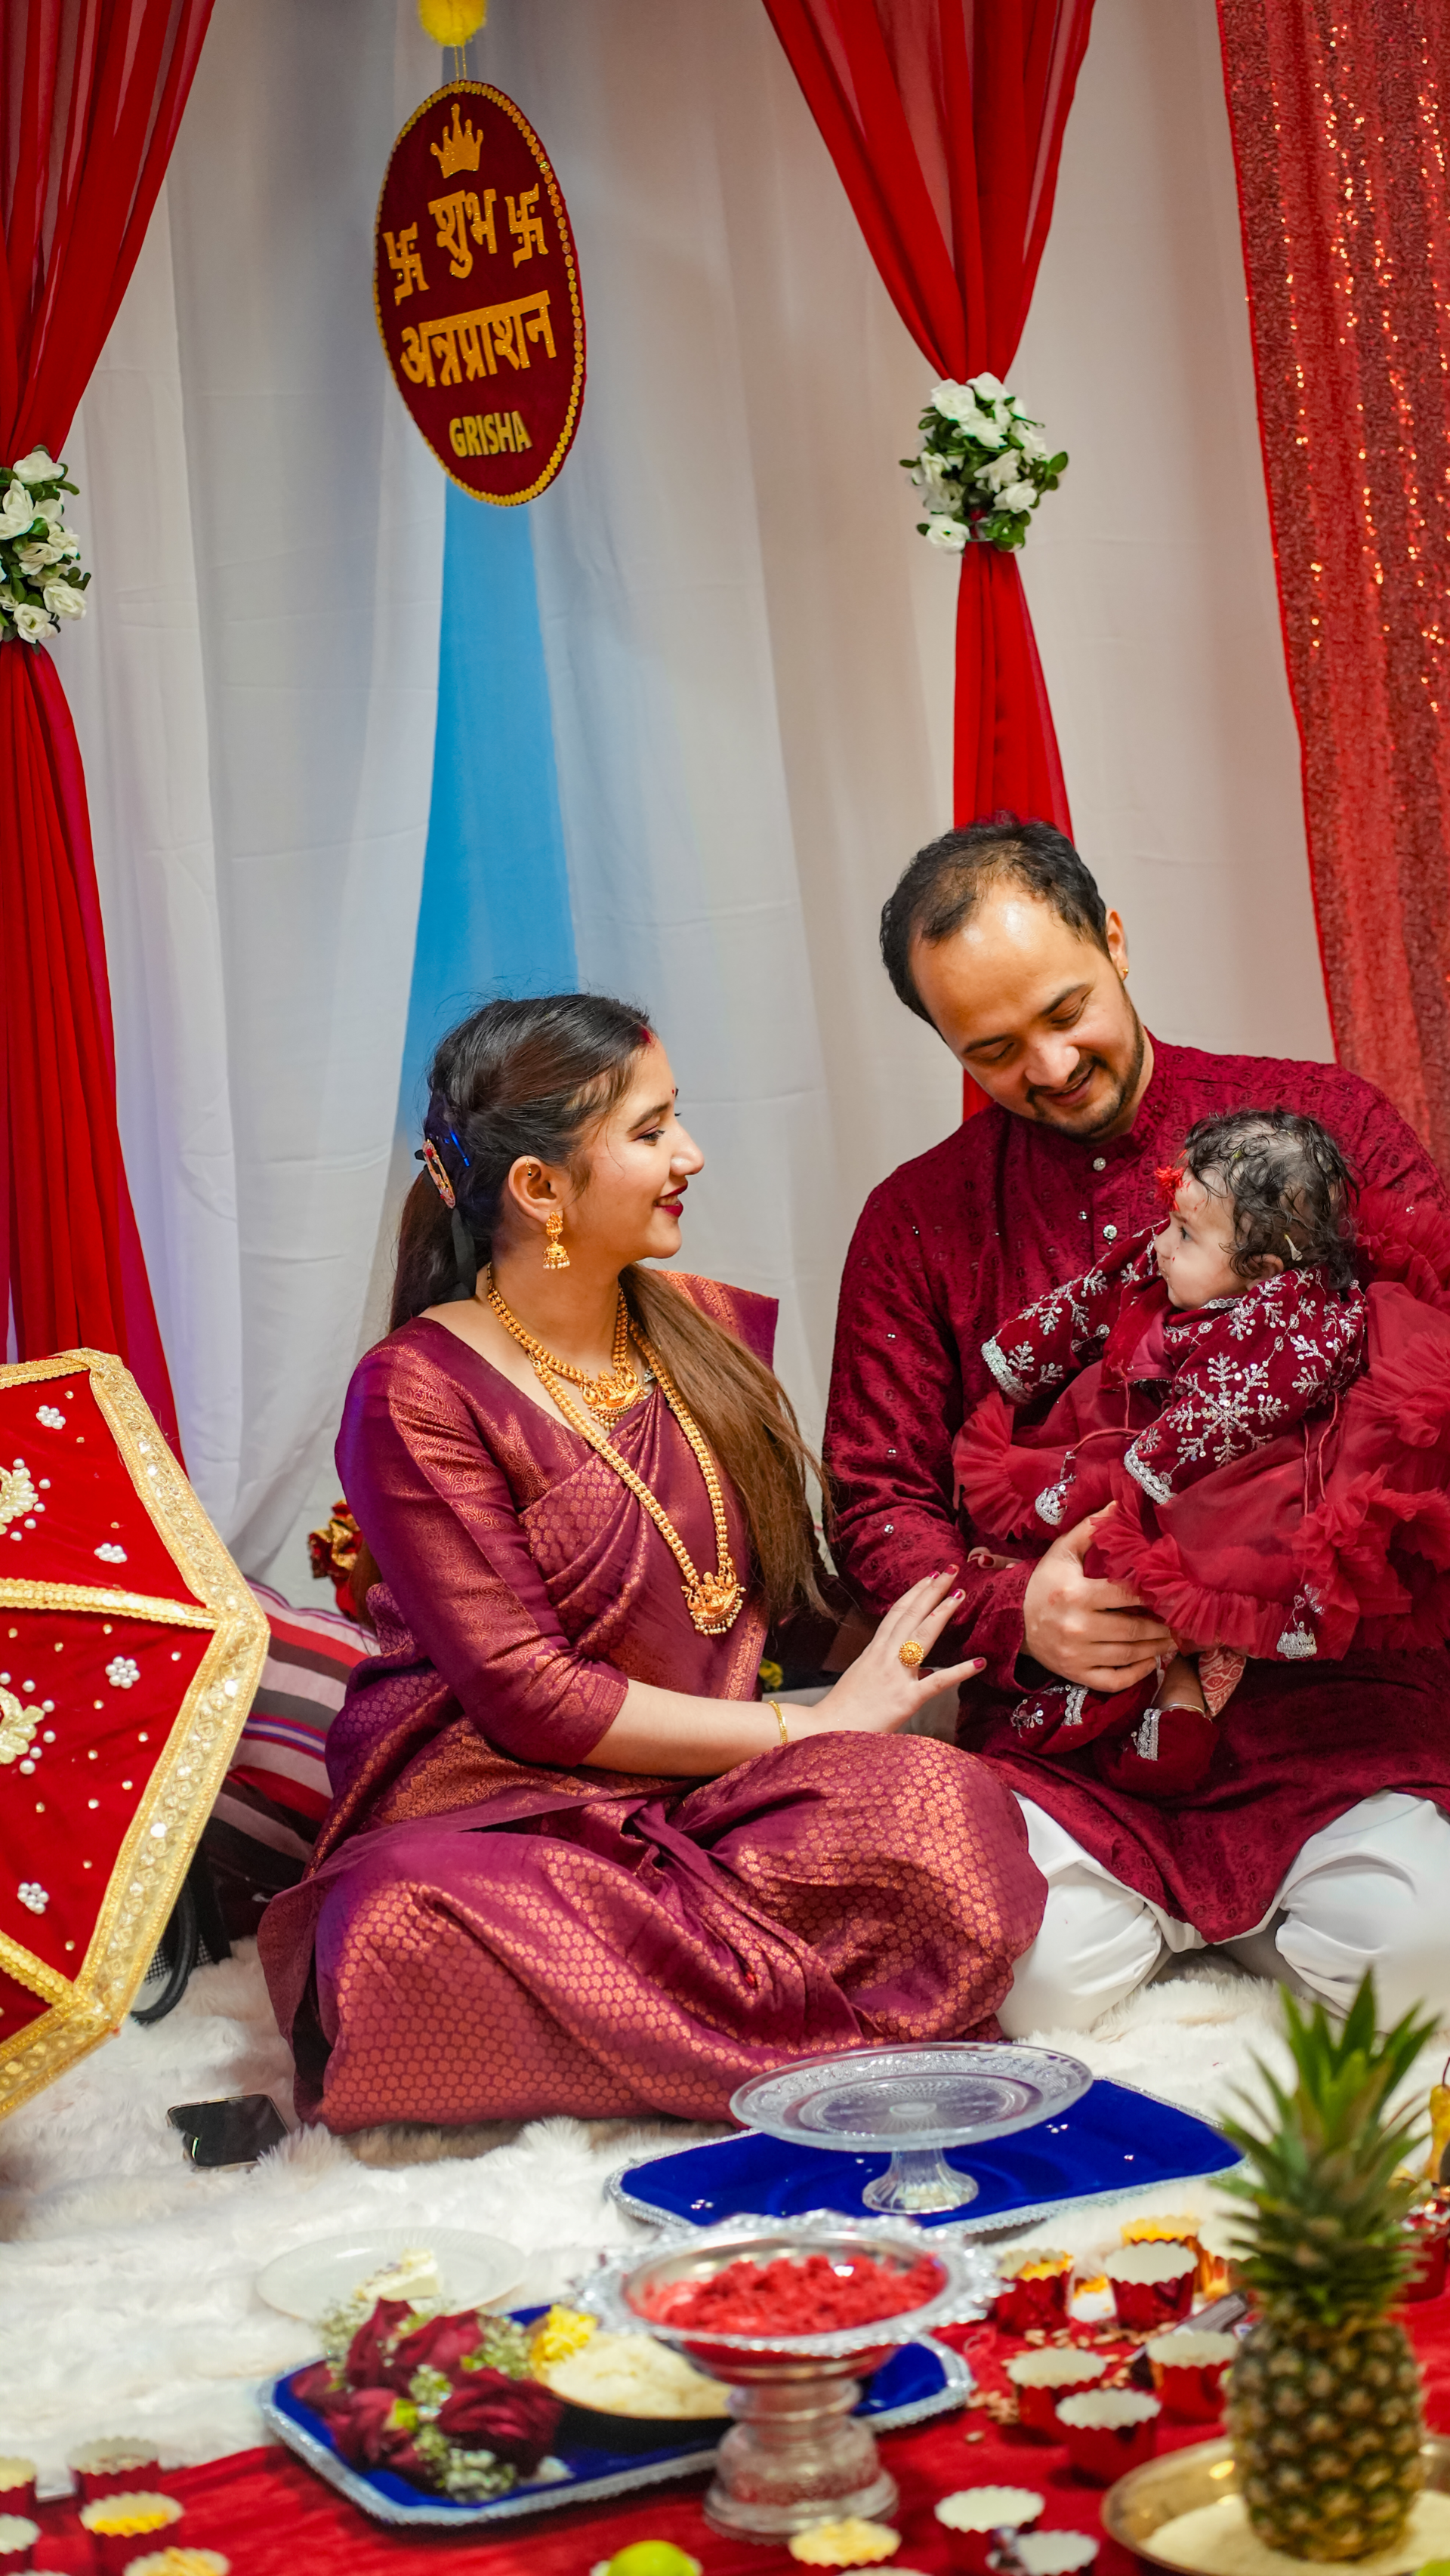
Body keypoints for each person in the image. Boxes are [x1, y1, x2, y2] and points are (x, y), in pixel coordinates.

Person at [259, 994, 1044, 2133]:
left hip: (716, 1800)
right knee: (392, 1922)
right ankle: (804, 2036)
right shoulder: (414, 1390)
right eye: (650, 1129)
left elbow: (784, 1593)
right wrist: (815, 1727)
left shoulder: (698, 1326)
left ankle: (652, 2025)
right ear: (540, 1188)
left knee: (950, 1808)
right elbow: (535, 1701)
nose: (691, 1154)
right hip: (507, 1814)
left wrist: (995, 1602)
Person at [824, 816, 1450, 2032]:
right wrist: (1025, 1614)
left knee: (1421, 1957)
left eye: (1069, 1010)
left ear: (1113, 937)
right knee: (1031, 1988)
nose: (1052, 1065)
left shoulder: (1327, 1127)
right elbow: (875, 1498)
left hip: (1329, 1716)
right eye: (995, 1048)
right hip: (1075, 1744)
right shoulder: (917, 1220)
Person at [955, 1107, 1450, 1795]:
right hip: (1141, 1439)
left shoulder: (1301, 1320)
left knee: (1187, 1588)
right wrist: (1023, 1355)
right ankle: (1122, 1688)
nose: (1160, 1244)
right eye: (1169, 1221)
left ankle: (1167, 1698)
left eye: (1183, 1233)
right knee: (1086, 1542)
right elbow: (1098, 1291)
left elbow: (1244, 1401)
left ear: (1266, 1268)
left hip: (1229, 1482)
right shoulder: (1171, 1269)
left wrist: (1152, 1467)